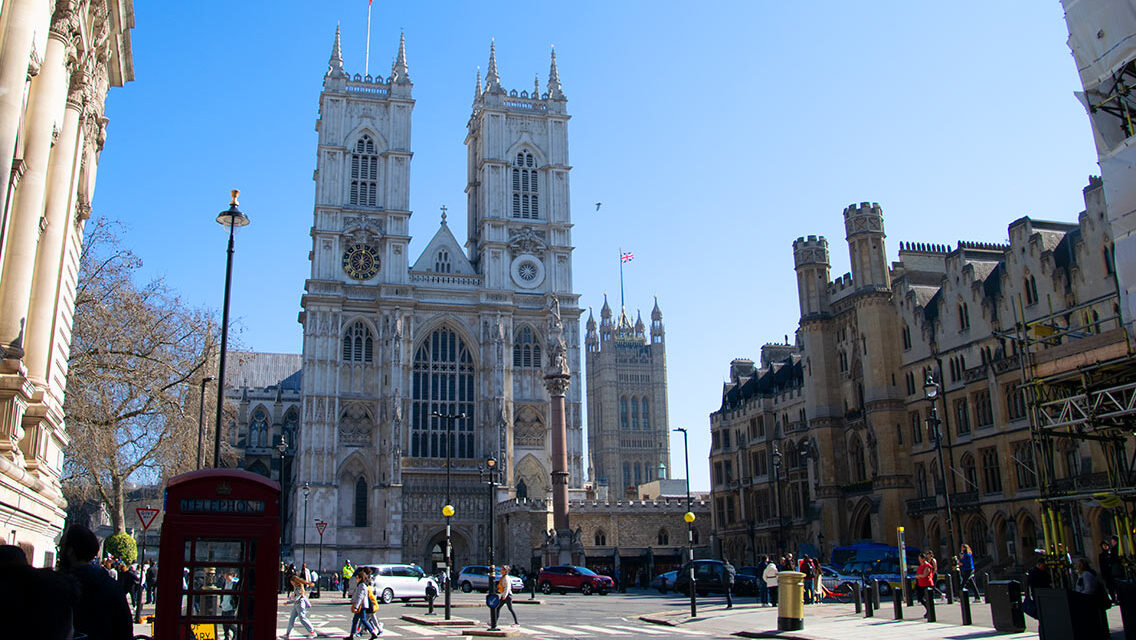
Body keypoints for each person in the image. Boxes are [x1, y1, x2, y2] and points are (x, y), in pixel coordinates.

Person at [58, 523, 133, 640]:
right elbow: (125, 630)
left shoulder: (57, 587)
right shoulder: (113, 587)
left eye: (61, 547)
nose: (59, 552)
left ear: (70, 551)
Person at [349, 570, 379, 639]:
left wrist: (356, 606)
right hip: (360, 605)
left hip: (361, 606)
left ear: (360, 578)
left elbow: (360, 597)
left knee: (363, 620)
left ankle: (373, 632)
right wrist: (353, 600)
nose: (356, 579)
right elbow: (356, 595)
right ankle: (352, 635)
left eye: (357, 578)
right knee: (355, 620)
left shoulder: (362, 585)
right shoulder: (359, 585)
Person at [284, 574, 317, 638]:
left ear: (295, 582)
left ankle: (312, 632)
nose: (292, 584)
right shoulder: (296, 587)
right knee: (292, 619)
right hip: (296, 604)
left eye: (292, 583)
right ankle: (287, 634)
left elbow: (297, 598)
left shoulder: (300, 587)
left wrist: (288, 602)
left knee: (302, 618)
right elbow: (295, 596)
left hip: (300, 604)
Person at [916, 552, 935, 617]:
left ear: (923, 559)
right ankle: (928, 609)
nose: (919, 560)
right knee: (920, 598)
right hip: (921, 584)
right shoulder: (920, 566)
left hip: (927, 584)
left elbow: (925, 574)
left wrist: (919, 576)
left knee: (928, 598)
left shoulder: (927, 566)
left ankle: (930, 611)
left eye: (920, 559)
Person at [1099, 539, 1117, 604]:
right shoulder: (1101, 555)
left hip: (1113, 572)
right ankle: (1113, 599)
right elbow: (1101, 566)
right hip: (1107, 574)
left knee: (1116, 586)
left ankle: (1117, 598)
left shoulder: (1111, 553)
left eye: (1106, 545)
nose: (1105, 546)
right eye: (1103, 545)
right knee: (1110, 587)